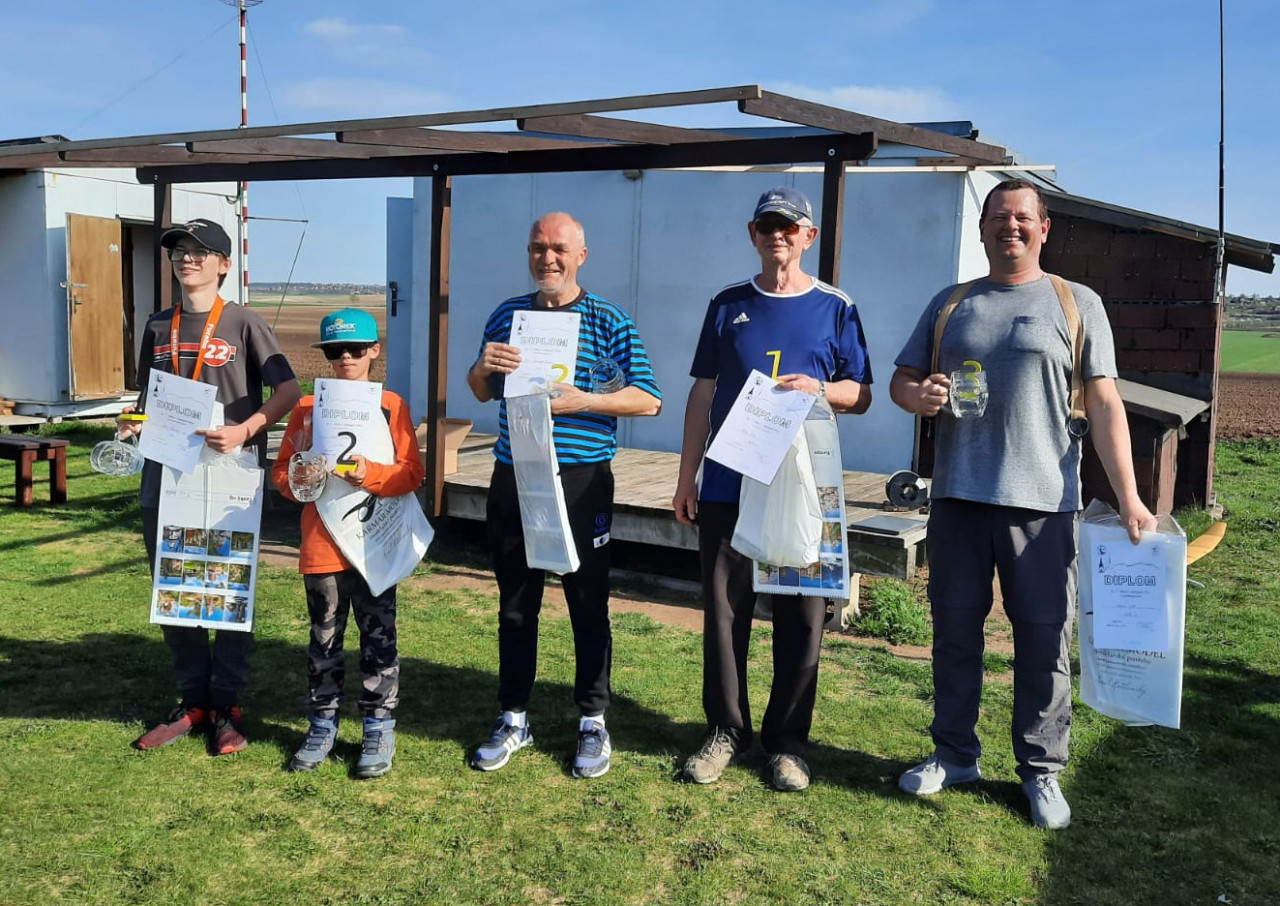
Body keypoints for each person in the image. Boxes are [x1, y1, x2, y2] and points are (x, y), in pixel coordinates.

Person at [889, 177, 1157, 829]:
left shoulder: (1075, 302)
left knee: (1042, 640)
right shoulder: (951, 304)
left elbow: (1104, 403)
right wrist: (916, 396)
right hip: (958, 499)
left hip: (1044, 506)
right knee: (955, 636)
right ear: (982, 228)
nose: (1010, 226)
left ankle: (1041, 770)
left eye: (1022, 217)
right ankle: (955, 755)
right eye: (998, 216)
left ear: (1043, 228)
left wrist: (1130, 496)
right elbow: (902, 380)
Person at [672, 187, 873, 792]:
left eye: (789, 227)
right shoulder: (727, 303)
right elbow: (703, 391)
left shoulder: (836, 306)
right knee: (724, 611)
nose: (777, 235)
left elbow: (860, 393)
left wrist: (819, 388)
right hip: (729, 482)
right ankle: (725, 731)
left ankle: (787, 743)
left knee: (802, 614)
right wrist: (687, 475)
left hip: (804, 487)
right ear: (752, 234)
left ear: (809, 236)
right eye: (767, 226)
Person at [465, 211, 661, 778]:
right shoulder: (508, 314)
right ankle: (513, 716)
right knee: (515, 603)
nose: (546, 258)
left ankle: (593, 721)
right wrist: (481, 367)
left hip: (581, 479)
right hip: (514, 474)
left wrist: (586, 401)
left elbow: (648, 399)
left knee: (587, 601)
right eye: (537, 248)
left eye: (558, 248)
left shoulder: (609, 319)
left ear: (581, 255)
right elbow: (481, 391)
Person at [126, 218, 301, 754]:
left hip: (229, 475)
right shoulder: (158, 325)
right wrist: (131, 423)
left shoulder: (244, 322)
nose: (188, 258)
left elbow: (289, 390)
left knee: (227, 585)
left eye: (200, 251)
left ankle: (226, 703)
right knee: (175, 583)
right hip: (167, 475)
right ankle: (192, 701)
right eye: (179, 250)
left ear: (224, 264)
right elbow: (146, 399)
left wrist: (247, 429)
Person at [271, 308, 425, 778]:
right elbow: (281, 473)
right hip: (322, 543)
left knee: (379, 637)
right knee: (324, 638)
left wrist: (370, 474)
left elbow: (411, 473)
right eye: (335, 351)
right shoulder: (306, 407)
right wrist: (299, 479)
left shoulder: (391, 406)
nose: (345, 358)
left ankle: (378, 725)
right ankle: (322, 724)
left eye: (356, 349)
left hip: (374, 542)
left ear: (374, 351)